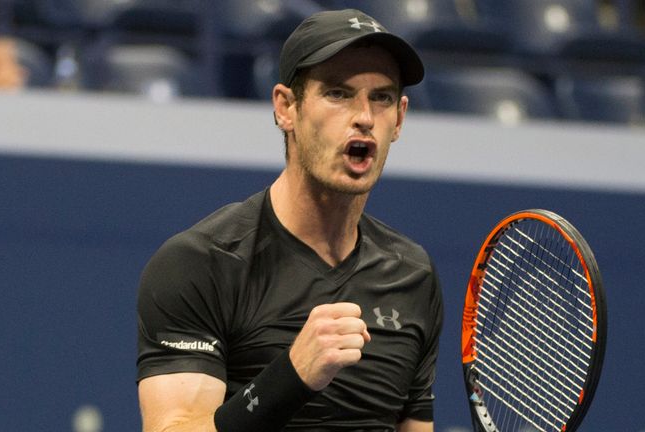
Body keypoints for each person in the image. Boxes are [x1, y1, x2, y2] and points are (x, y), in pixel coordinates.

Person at [136, 8, 442, 432]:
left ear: (400, 118)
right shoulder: (201, 262)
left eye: (382, 98)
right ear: (286, 108)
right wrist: (291, 376)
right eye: (338, 93)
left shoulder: (413, 275)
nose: (364, 117)